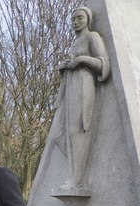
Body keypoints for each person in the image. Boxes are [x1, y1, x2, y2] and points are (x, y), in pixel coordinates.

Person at [54, 6, 110, 191]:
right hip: (71, 88)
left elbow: (103, 62)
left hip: (85, 86)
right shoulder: (74, 43)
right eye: (73, 19)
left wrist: (84, 60)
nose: (76, 22)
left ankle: (77, 180)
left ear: (87, 19)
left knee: (77, 131)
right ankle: (74, 176)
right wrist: (64, 66)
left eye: (79, 18)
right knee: (64, 134)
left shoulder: (92, 36)